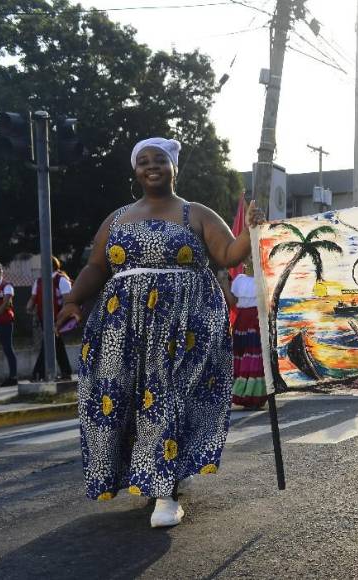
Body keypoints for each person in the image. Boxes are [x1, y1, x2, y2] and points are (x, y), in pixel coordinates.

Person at [56, 137, 262, 528]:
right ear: (135, 171)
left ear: (174, 167)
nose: (152, 166)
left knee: (165, 399)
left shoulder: (195, 213)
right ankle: (150, 475)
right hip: (122, 324)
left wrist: (250, 231)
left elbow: (229, 254)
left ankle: (165, 494)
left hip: (184, 324)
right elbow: (96, 268)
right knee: (121, 401)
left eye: (160, 160)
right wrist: (73, 301)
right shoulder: (116, 219)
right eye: (143, 161)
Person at [221, 263, 267, 409]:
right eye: (250, 258)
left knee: (254, 358)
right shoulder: (239, 280)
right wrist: (224, 284)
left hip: (256, 320)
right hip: (242, 321)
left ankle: (254, 396)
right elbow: (233, 302)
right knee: (243, 357)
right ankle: (243, 395)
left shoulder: (263, 280)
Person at [27, 256, 74, 381]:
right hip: (44, 318)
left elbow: (67, 300)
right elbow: (33, 298)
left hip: (58, 317)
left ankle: (38, 373)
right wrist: (29, 308)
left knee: (49, 343)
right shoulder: (40, 281)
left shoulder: (61, 280)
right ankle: (65, 372)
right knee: (55, 344)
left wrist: (62, 319)